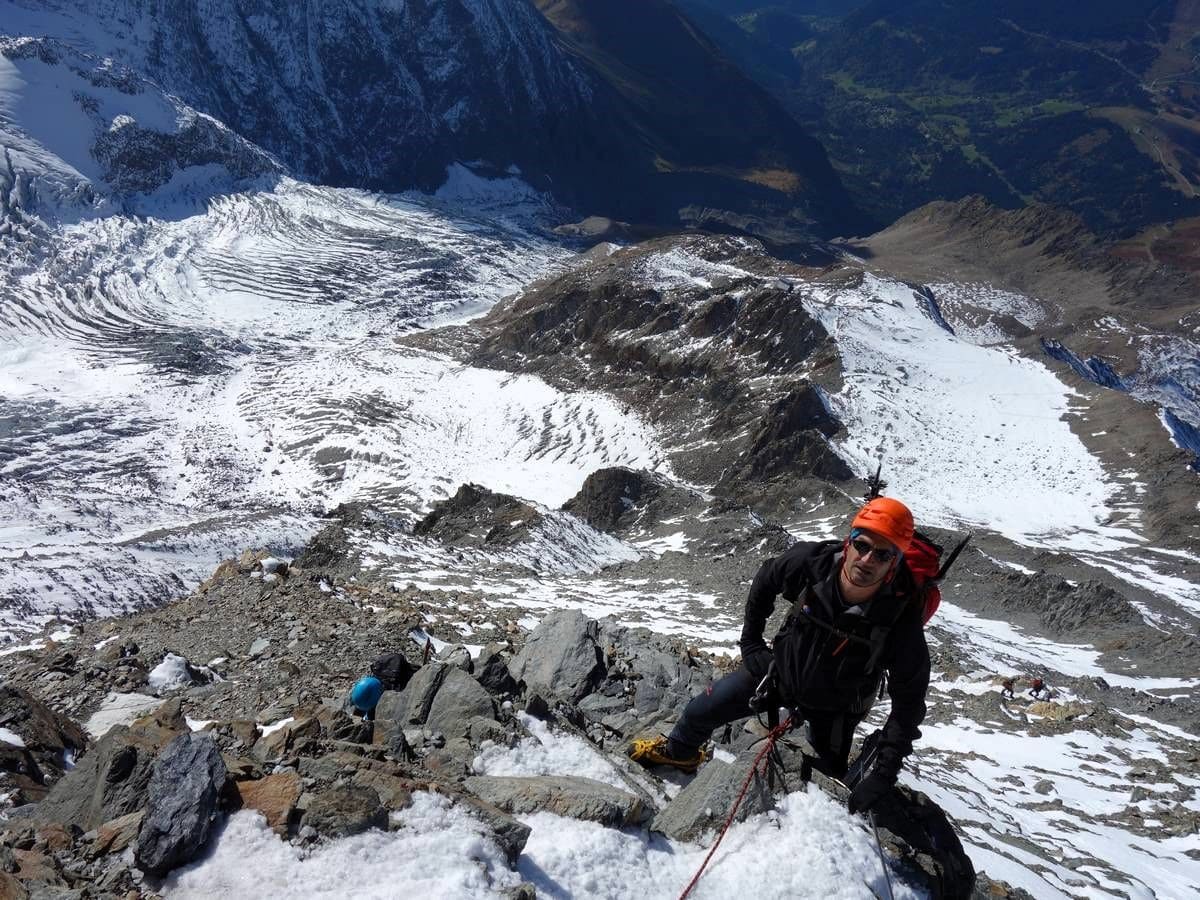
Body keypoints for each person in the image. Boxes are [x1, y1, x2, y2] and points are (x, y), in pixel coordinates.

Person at [630, 497, 930, 815]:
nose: (867, 559)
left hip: (837, 707)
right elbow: (766, 578)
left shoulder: (900, 621)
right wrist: (751, 644)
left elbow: (908, 705)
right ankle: (680, 754)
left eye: (882, 554)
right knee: (699, 711)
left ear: (894, 563)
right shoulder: (811, 564)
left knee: (828, 785)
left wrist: (883, 775)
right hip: (779, 675)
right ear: (849, 541)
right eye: (862, 544)